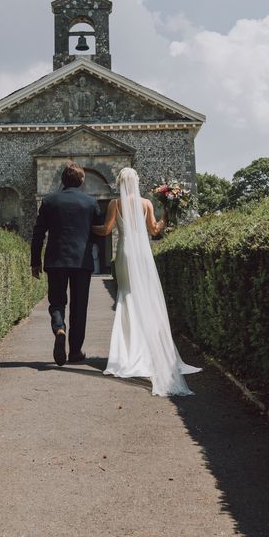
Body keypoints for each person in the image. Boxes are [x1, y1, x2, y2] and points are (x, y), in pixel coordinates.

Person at [92, 167, 201, 396]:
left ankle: (128, 352)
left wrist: (86, 227)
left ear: (121, 182)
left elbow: (106, 230)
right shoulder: (147, 203)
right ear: (136, 182)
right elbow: (154, 230)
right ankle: (150, 350)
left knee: (126, 295)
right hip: (143, 253)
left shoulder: (114, 204)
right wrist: (166, 214)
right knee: (145, 298)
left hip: (125, 252)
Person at [31, 162, 103, 366]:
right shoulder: (90, 203)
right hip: (82, 261)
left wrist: (35, 261)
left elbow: (38, 234)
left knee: (56, 301)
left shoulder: (49, 201)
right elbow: (98, 232)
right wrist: (89, 245)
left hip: (55, 260)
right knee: (80, 307)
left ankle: (59, 329)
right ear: (81, 181)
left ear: (62, 180)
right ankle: (75, 351)